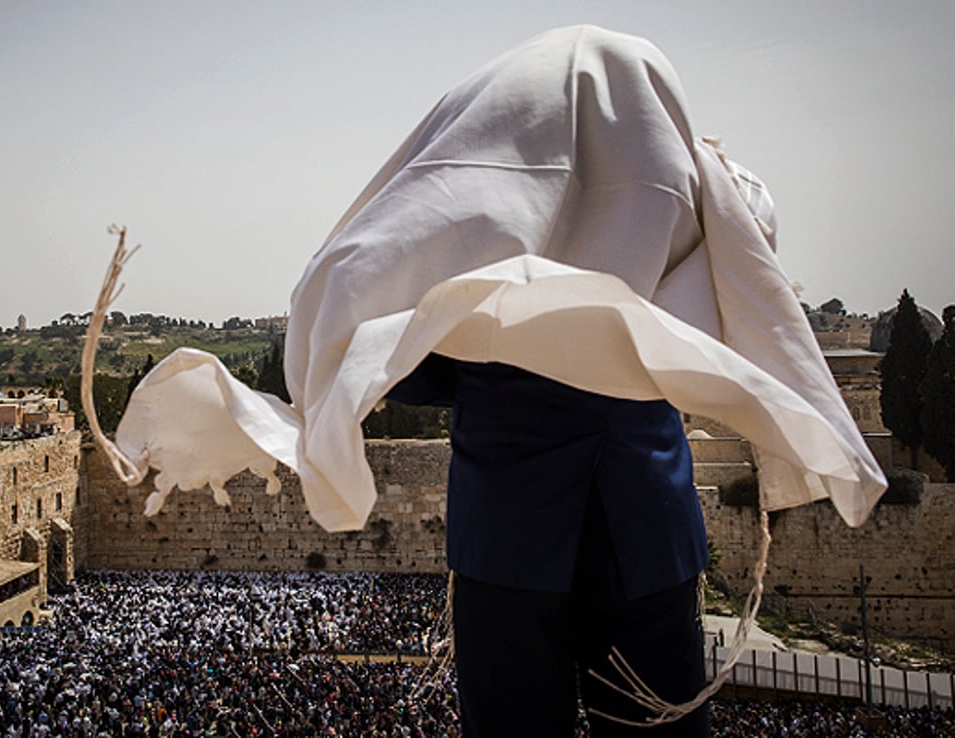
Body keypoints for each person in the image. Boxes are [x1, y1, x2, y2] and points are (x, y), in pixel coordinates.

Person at [100, 22, 885, 736]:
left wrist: (471, 336)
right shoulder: (689, 196)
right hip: (648, 530)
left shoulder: (491, 233)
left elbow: (410, 360)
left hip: (508, 541)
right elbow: (730, 317)